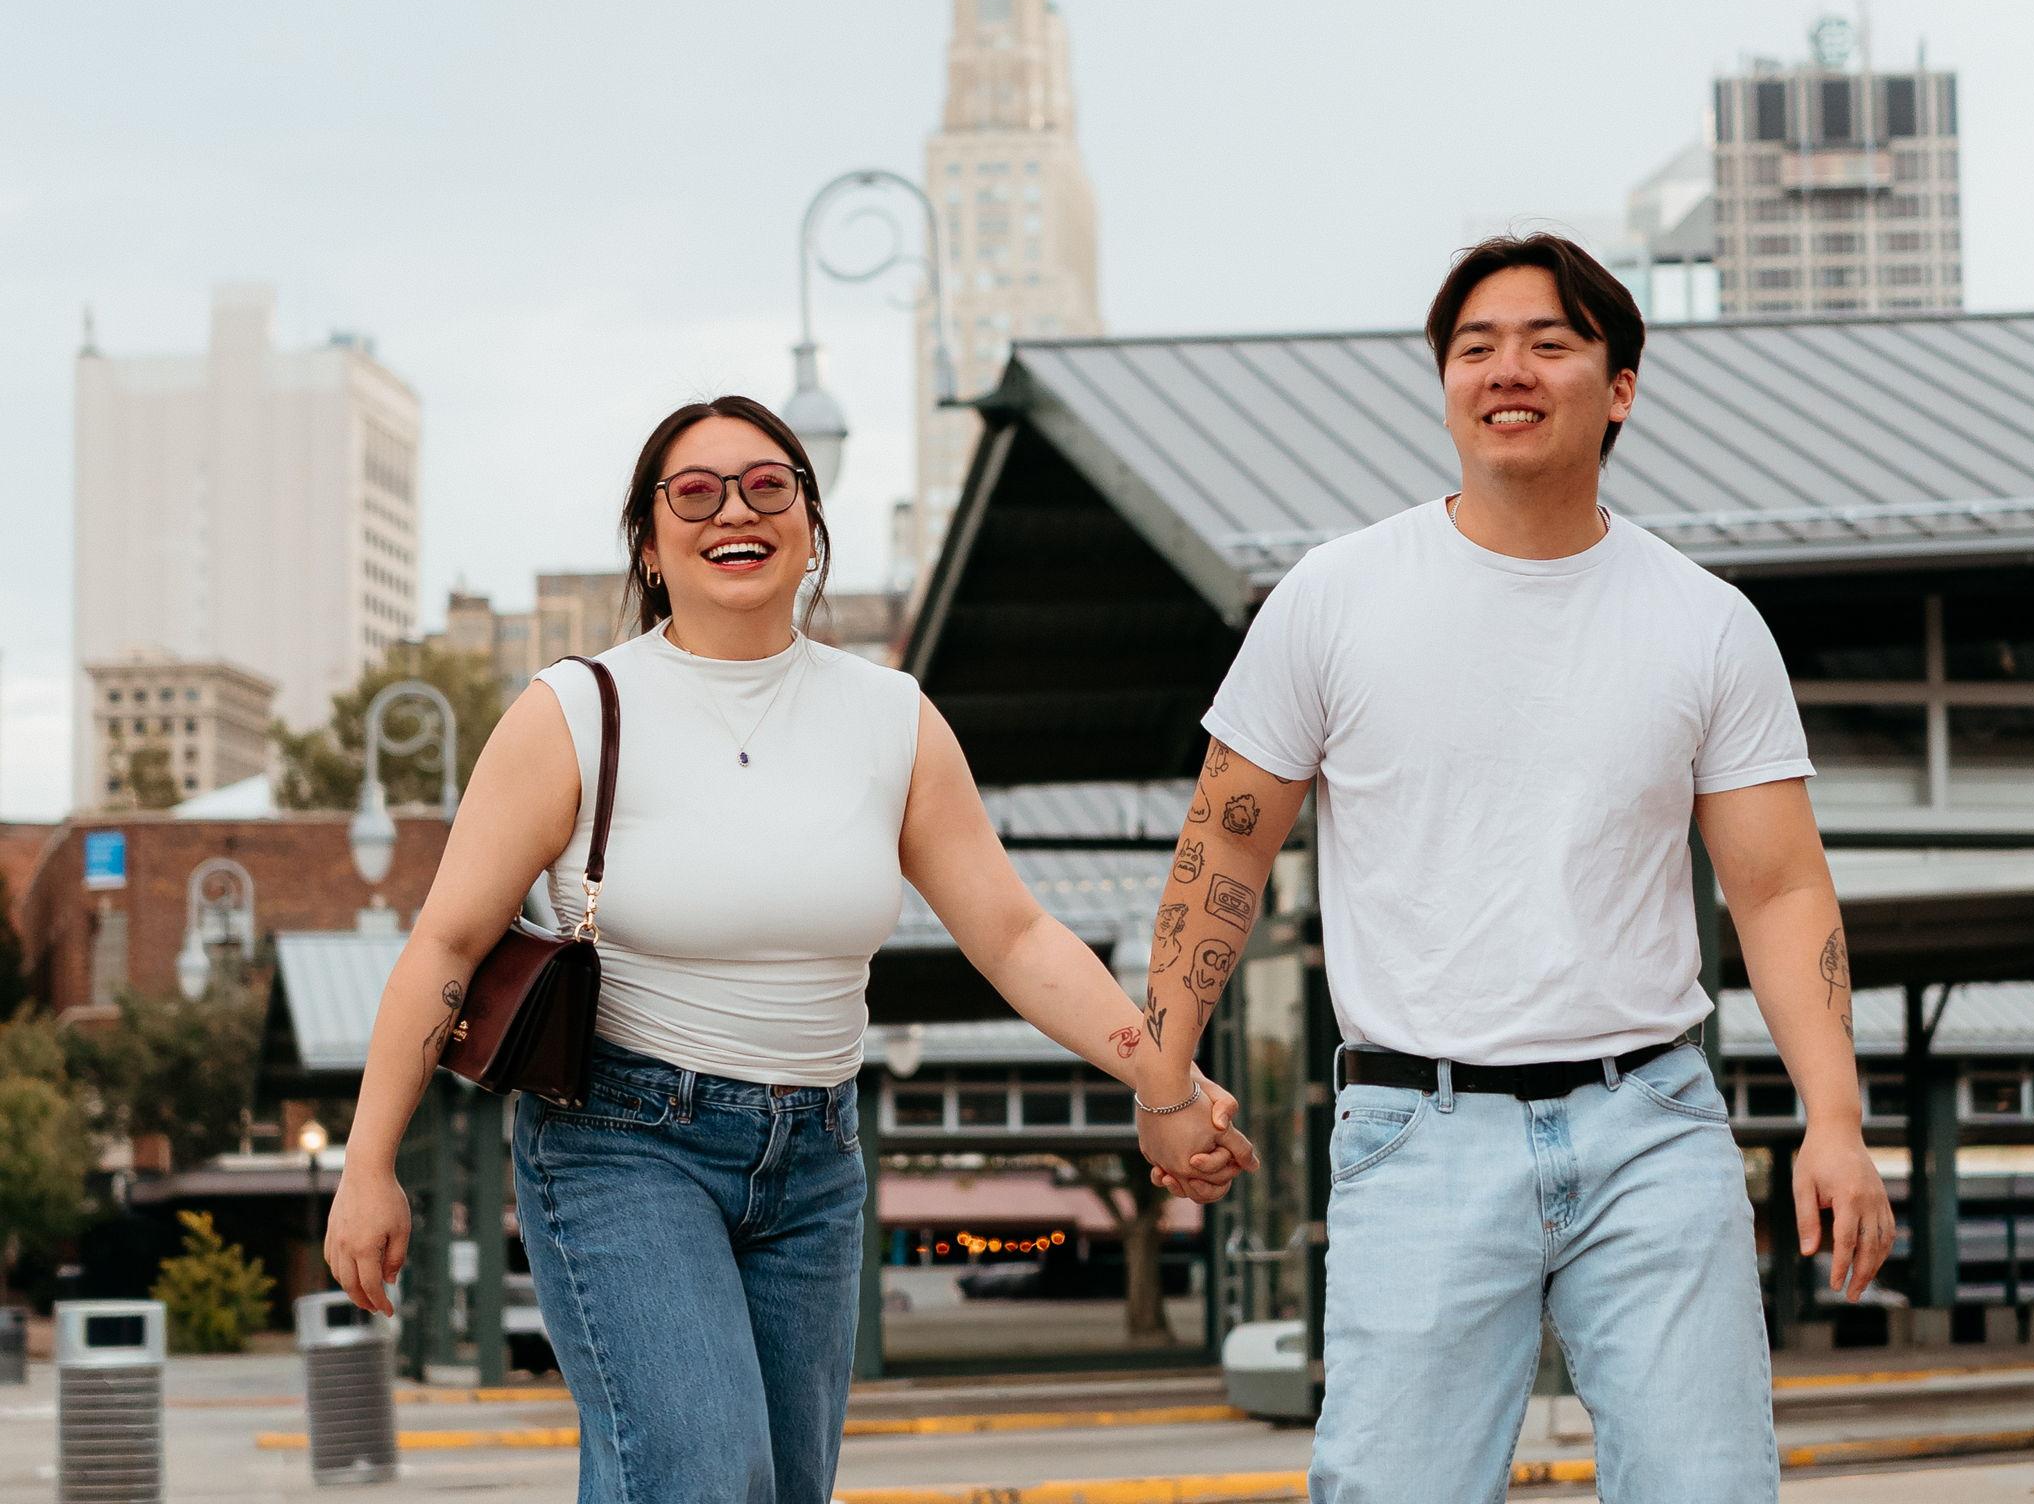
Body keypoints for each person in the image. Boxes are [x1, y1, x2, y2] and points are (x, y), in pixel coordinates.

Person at [325, 394, 1254, 1504]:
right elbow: (447, 938)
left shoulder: (890, 716)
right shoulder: (577, 709)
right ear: (650, 541)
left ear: (810, 525)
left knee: (770, 1488)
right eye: (696, 490)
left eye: (770, 485)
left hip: (816, 1156)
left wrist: (1162, 1077)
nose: (737, 509)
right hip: (624, 1145)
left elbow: (1012, 932)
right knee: (705, 1476)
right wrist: (368, 1163)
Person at [1131, 236, 1896, 1503]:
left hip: (1650, 1119)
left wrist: (1834, 1116)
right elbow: (1224, 842)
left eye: (1549, 341)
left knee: (1707, 1486)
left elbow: (1777, 887)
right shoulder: (1334, 596)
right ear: (1443, 384)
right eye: (1475, 346)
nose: (1508, 369)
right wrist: (1160, 1073)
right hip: (1414, 1126)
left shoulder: (1702, 620)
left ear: (1620, 384)